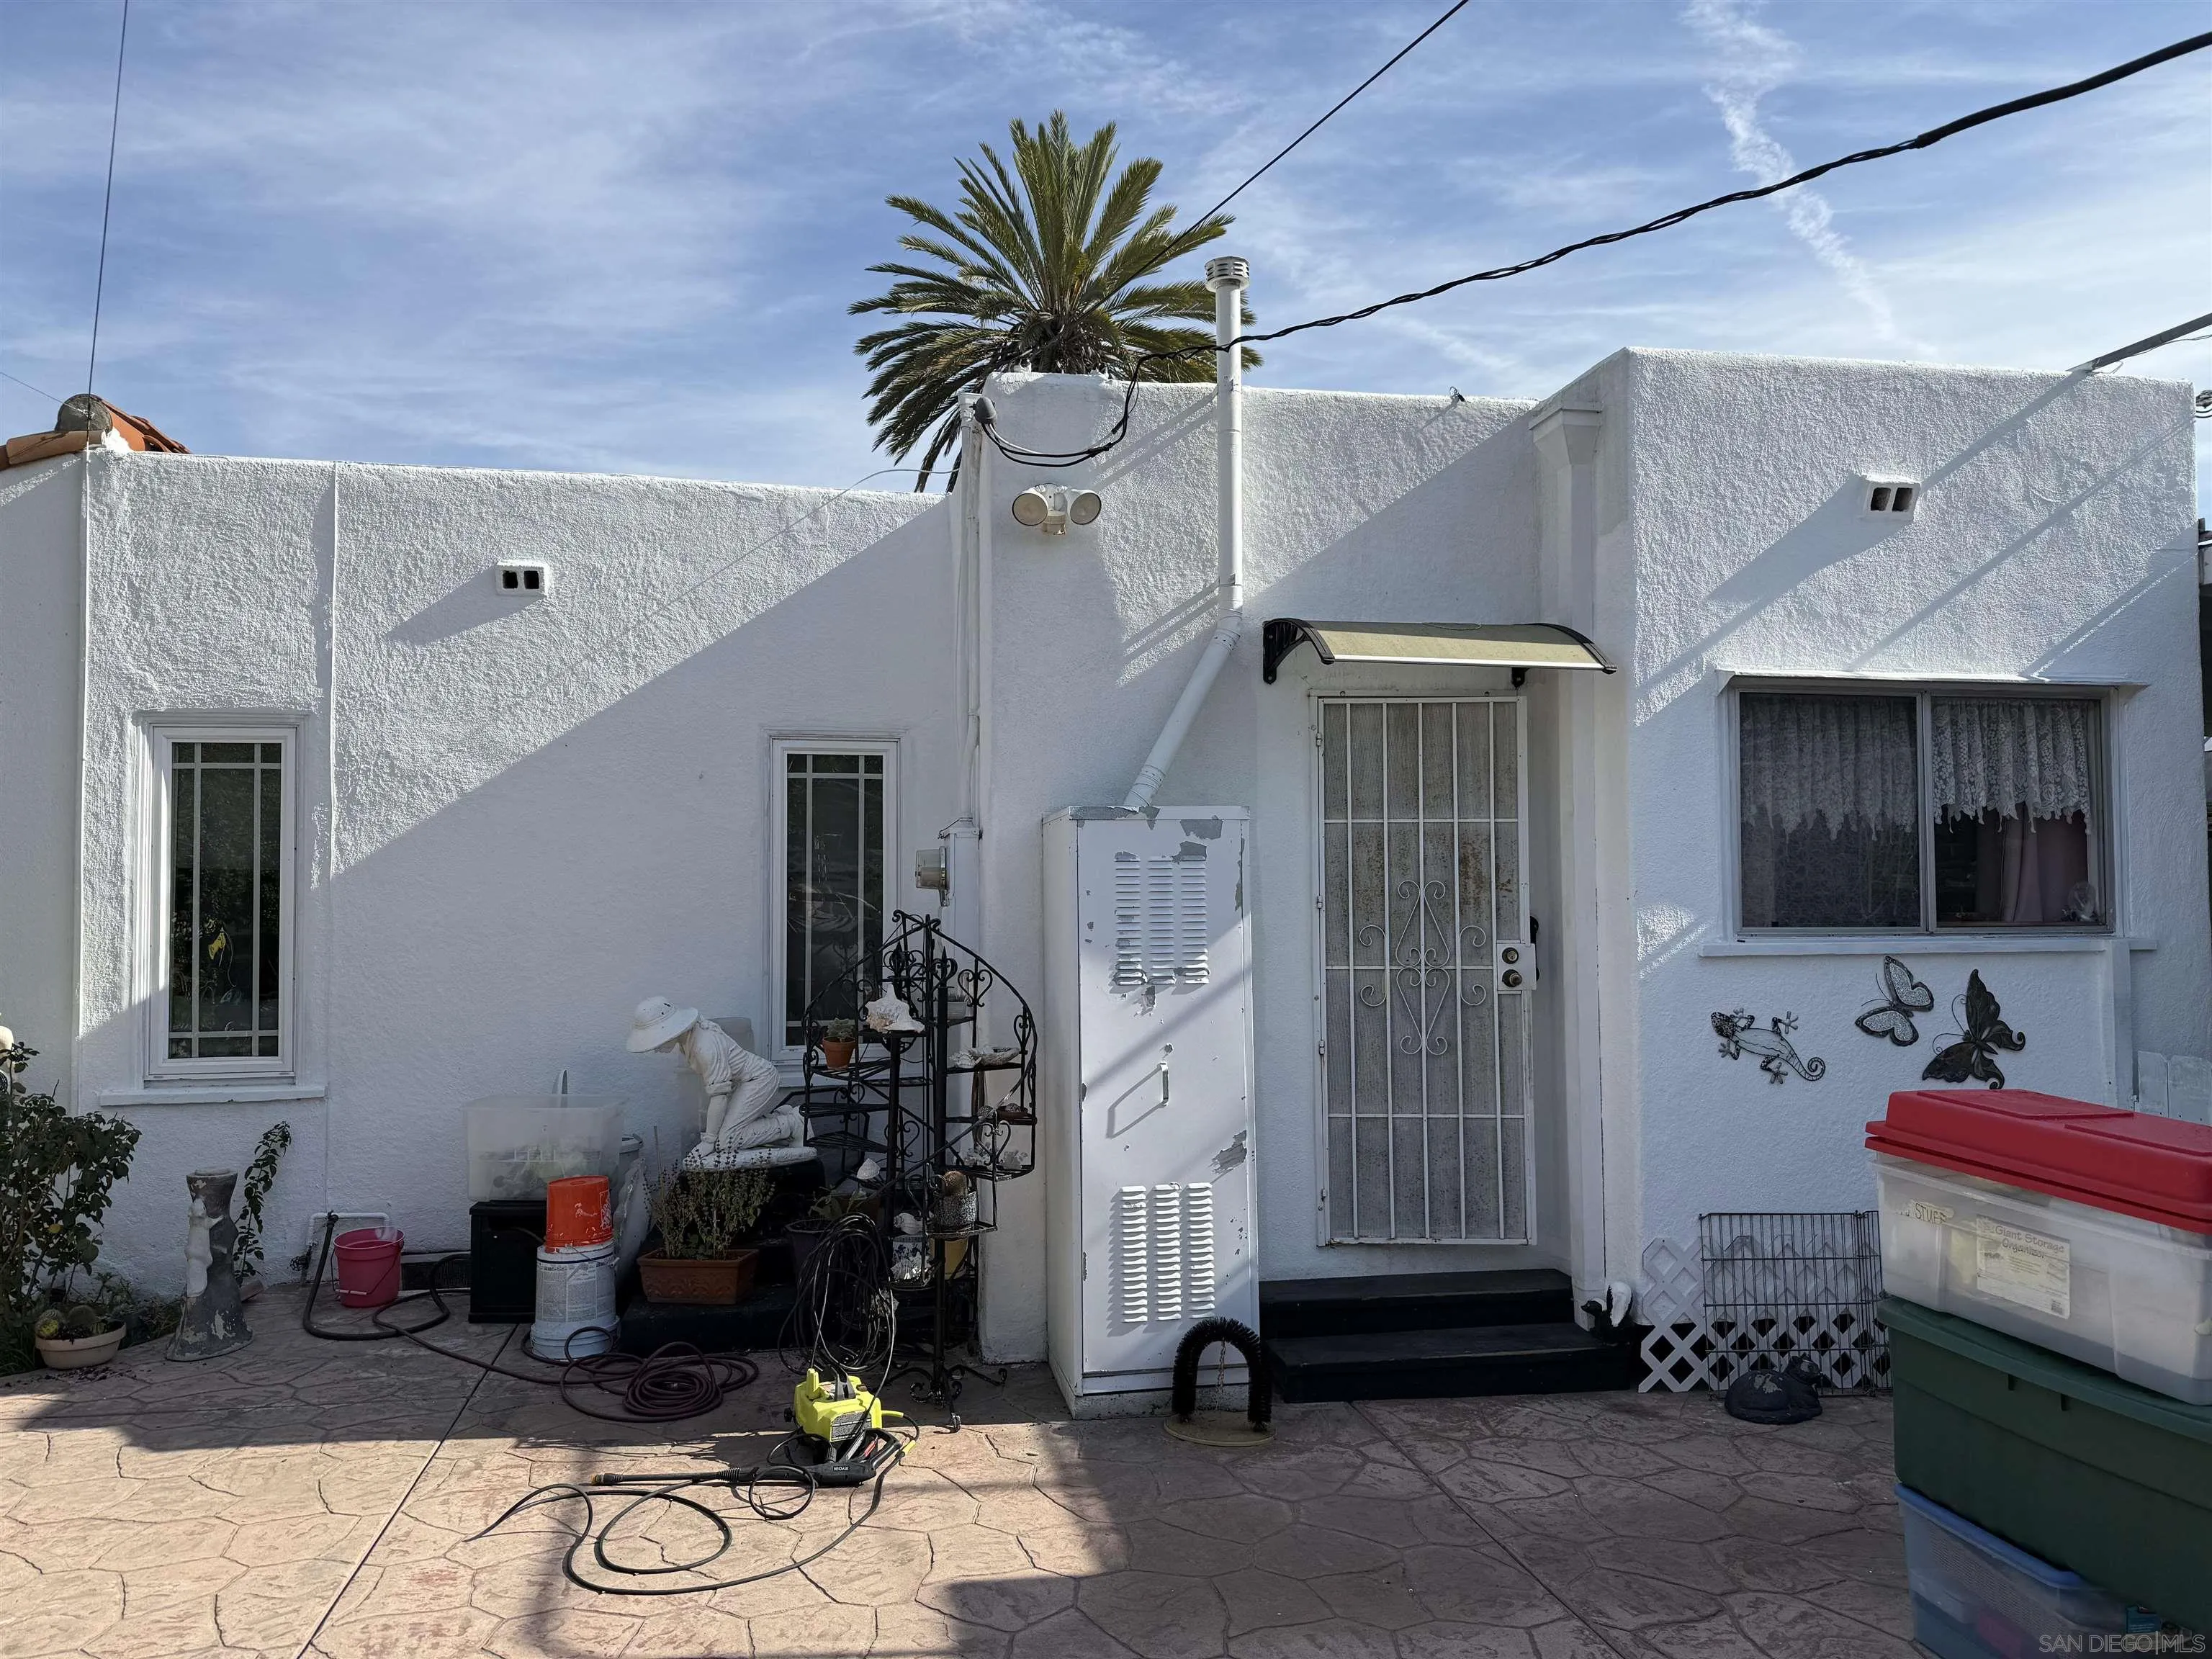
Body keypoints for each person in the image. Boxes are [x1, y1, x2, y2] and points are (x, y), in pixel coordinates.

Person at [624, 997, 805, 1168]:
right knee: (724, 1132)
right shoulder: (688, 1039)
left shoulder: (705, 1047)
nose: (656, 1049)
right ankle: (779, 1117)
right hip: (743, 1084)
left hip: (759, 1080)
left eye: (657, 1041)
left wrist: (709, 1141)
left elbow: (719, 1096)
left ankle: (793, 1124)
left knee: (728, 1141)